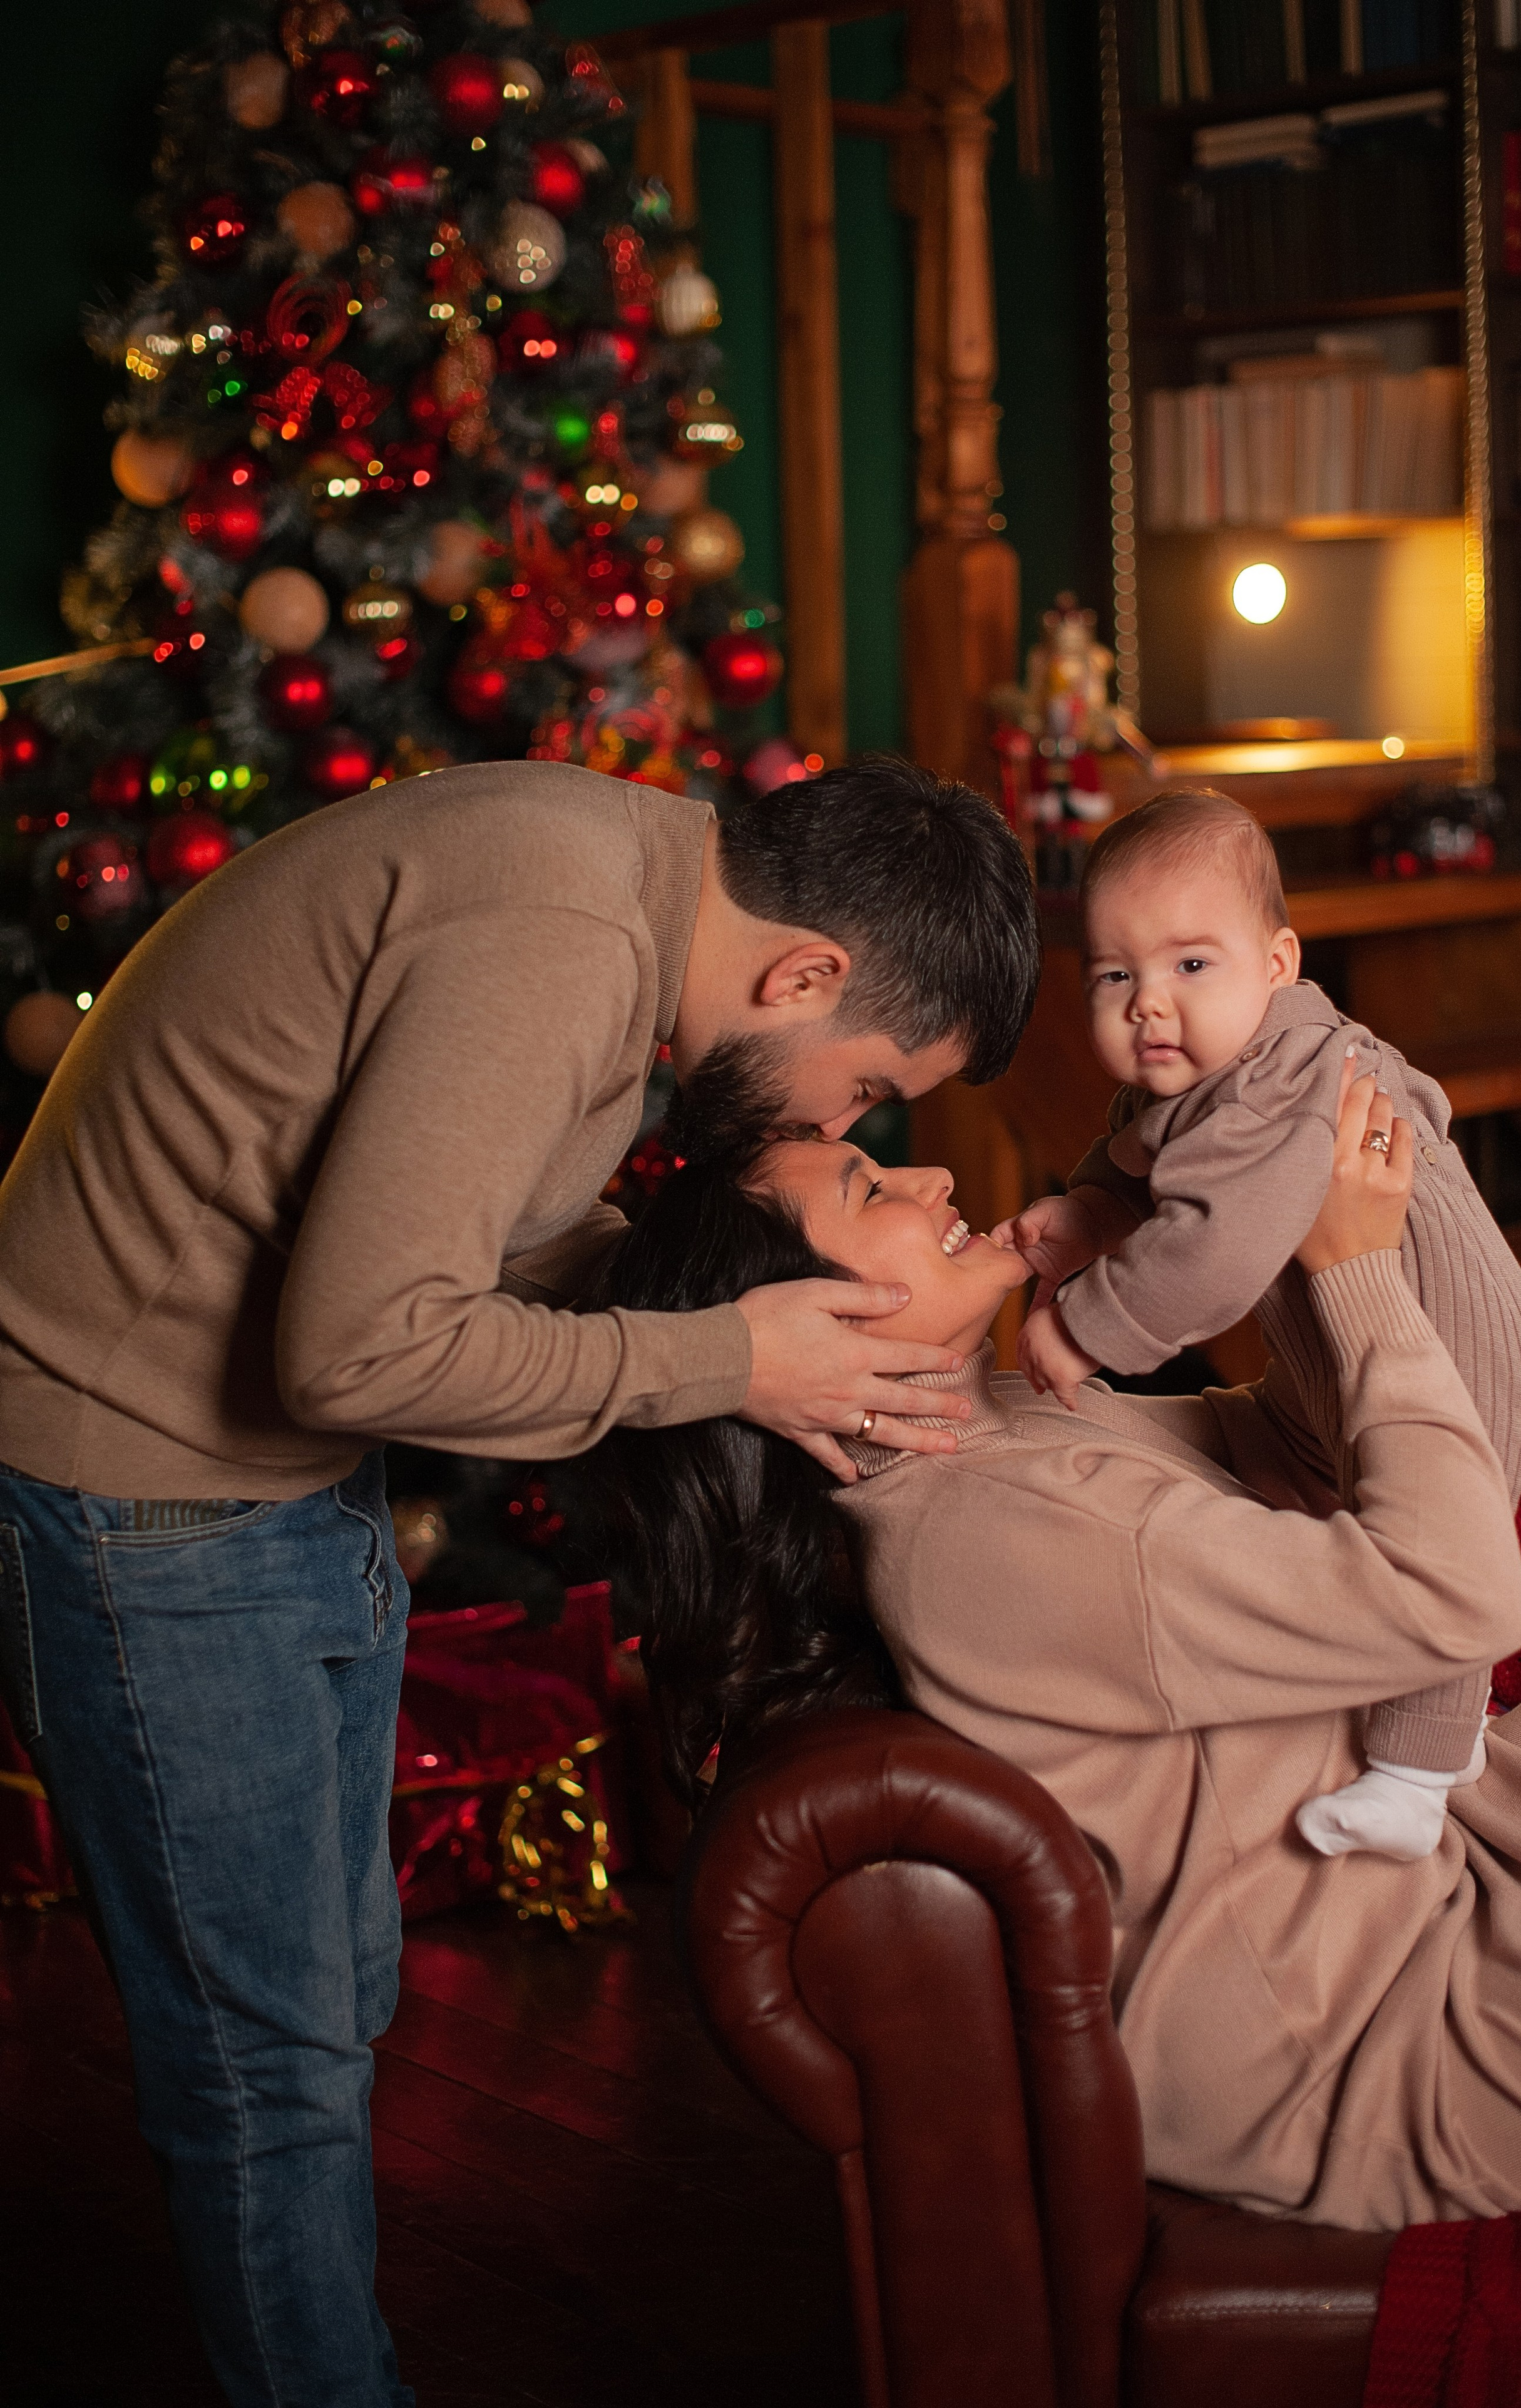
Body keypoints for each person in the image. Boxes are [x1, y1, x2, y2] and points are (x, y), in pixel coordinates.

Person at [0, 754, 1038, 2408]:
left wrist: (765, 1330)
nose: (840, 1132)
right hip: (145, 1489)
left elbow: (470, 1245)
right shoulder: (558, 944)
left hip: (271, 1477)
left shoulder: (613, 881)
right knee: (265, 2070)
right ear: (806, 976)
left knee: (330, 1991)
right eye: (860, 1095)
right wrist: (722, 1357)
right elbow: (354, 1346)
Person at [590, 1072, 1521, 2234]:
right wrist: (1355, 1272)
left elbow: (1295, 1455)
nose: (933, 1179)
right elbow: (1458, 1593)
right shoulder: (991, 1535)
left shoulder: (1002, 1425)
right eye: (875, 1190)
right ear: (807, 1330)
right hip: (1386, 2048)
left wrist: (1247, 1233)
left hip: (1421, 1887)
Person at [995, 789, 1521, 1864]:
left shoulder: (1276, 1087)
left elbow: (1212, 1251)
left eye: (1190, 966)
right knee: (1327, 1490)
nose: (1150, 1005)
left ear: (1279, 962)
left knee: (1430, 1537)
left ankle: (1419, 1772)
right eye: (1116, 976)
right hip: (1338, 1365)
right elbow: (1140, 1173)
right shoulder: (1194, 1080)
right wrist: (1083, 1221)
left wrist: (1090, 1327)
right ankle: (1433, 1724)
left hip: (1460, 1358)